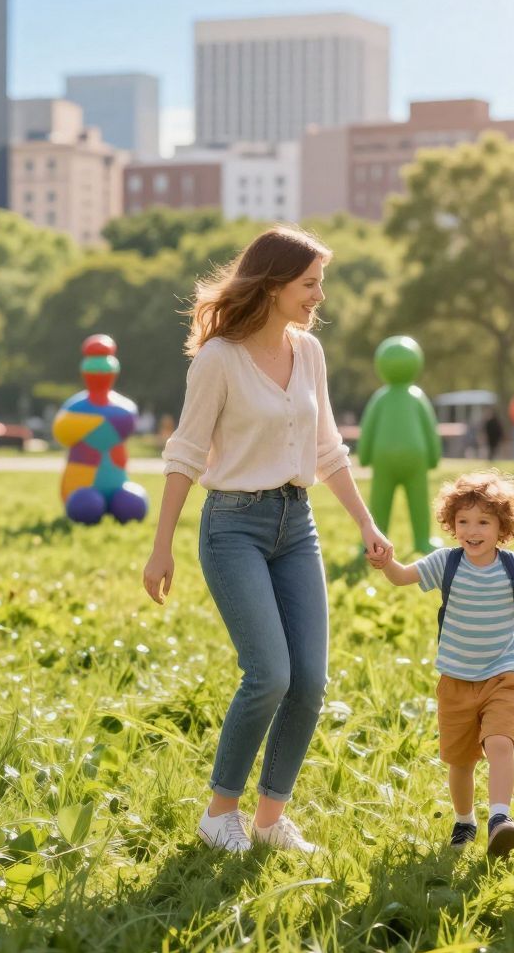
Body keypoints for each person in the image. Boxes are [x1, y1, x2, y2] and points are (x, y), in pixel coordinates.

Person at [143, 226, 390, 855]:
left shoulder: (308, 353)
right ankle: (218, 812)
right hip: (233, 527)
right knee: (269, 674)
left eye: (319, 284)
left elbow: (327, 446)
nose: (318, 296)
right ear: (274, 283)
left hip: (296, 525)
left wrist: (365, 524)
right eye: (309, 284)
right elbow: (186, 452)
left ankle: (269, 821)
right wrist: (161, 544)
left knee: (309, 680)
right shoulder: (219, 359)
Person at [367, 470, 514, 857]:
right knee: (461, 761)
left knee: (501, 743)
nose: (472, 529)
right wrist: (386, 561)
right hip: (455, 680)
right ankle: (465, 820)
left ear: (502, 527)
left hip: (503, 675)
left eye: (483, 521)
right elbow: (402, 577)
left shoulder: (513, 567)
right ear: (452, 524)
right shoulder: (446, 563)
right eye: (463, 521)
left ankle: (500, 819)